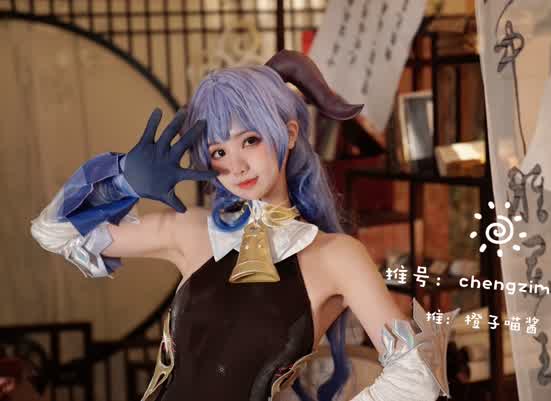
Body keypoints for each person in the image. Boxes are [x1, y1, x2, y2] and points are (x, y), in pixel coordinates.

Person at [30, 50, 458, 401]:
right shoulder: (192, 232)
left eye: (249, 140)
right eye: (218, 151)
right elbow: (54, 233)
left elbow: (416, 375)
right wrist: (121, 179)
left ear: (289, 134)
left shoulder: (335, 256)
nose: (235, 166)